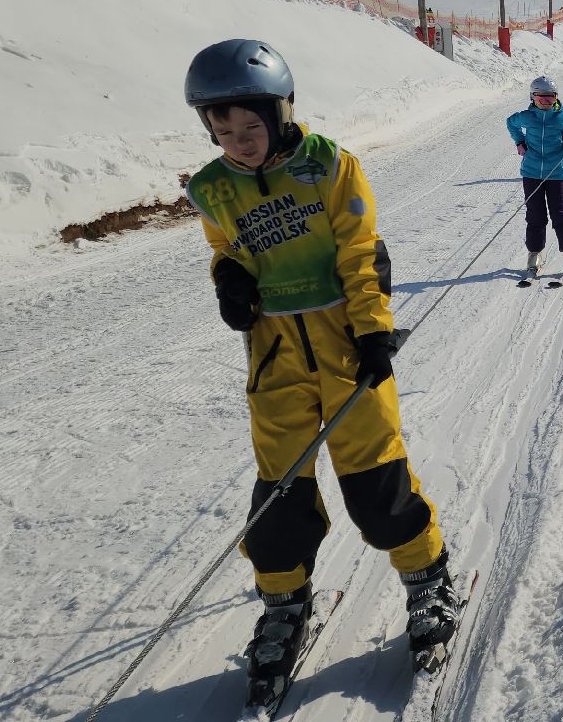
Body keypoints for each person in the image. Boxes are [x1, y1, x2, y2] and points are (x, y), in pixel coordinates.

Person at [180, 39, 458, 705]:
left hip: (342, 344)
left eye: (252, 127)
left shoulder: (328, 165)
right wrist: (229, 279)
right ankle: (283, 603)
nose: (240, 142)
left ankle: (427, 579)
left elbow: (361, 251)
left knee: (376, 479)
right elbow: (224, 245)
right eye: (224, 131)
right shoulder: (212, 187)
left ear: (281, 114)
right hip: (274, 354)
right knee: (278, 490)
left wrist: (372, 332)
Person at [507, 76, 563, 275]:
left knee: (559, 213)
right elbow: (511, 123)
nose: (546, 103)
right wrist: (519, 142)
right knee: (535, 214)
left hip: (555, 171)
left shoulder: (560, 117)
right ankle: (535, 252)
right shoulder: (527, 117)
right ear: (533, 98)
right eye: (542, 99)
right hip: (532, 172)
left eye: (551, 99)